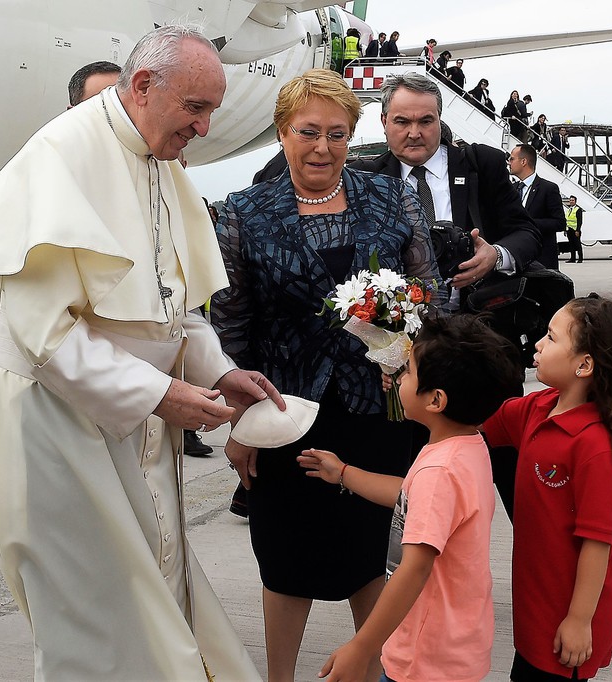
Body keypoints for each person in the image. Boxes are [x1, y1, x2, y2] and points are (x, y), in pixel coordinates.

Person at [0, 24, 284, 680]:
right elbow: (44, 337)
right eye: (196, 108)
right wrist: (161, 394)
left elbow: (172, 304)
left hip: (124, 420)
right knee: (92, 612)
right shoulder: (63, 155)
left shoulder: (156, 159)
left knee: (153, 588)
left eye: (212, 109)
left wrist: (220, 371)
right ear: (145, 86)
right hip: (45, 420)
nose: (205, 129)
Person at [209, 68, 439, 682]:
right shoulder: (242, 215)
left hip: (378, 411)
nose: (323, 147)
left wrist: (405, 344)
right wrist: (240, 423)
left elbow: (429, 295)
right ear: (283, 132)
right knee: (285, 557)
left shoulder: (391, 198)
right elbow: (229, 327)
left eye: (338, 134)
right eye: (307, 132)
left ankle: (373, 670)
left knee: (367, 554)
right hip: (284, 413)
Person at [297, 314, 524, 682]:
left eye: (410, 372)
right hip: (455, 644)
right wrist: (343, 473)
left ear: (435, 399)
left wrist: (362, 647)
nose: (399, 378)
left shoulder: (440, 470)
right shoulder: (467, 446)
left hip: (426, 657)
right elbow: (409, 496)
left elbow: (414, 568)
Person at [482, 294, 612, 681]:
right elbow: (477, 421)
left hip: (571, 614)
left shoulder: (593, 446)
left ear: (584, 364)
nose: (539, 344)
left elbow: (597, 542)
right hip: (535, 604)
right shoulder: (538, 408)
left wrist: (579, 620)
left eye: (551, 337)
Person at [350, 72, 540, 311]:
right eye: (402, 122)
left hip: (475, 322)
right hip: (395, 327)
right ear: (383, 121)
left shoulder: (481, 165)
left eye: (426, 121)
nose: (414, 133)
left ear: (440, 119)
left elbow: (527, 233)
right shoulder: (365, 179)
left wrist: (496, 256)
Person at [509, 144, 565, 269]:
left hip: (541, 260)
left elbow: (559, 223)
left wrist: (528, 223)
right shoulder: (512, 190)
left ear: (524, 161)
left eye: (512, 159)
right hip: (516, 259)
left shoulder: (548, 189)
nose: (509, 162)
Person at [565, 194, 584, 263]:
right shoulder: (569, 209)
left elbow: (579, 221)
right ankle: (572, 258)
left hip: (575, 229)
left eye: (572, 200)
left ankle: (580, 258)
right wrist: (565, 229)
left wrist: (577, 230)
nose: (571, 201)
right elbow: (567, 220)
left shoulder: (578, 209)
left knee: (577, 244)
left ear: (575, 201)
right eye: (570, 200)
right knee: (571, 245)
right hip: (569, 229)